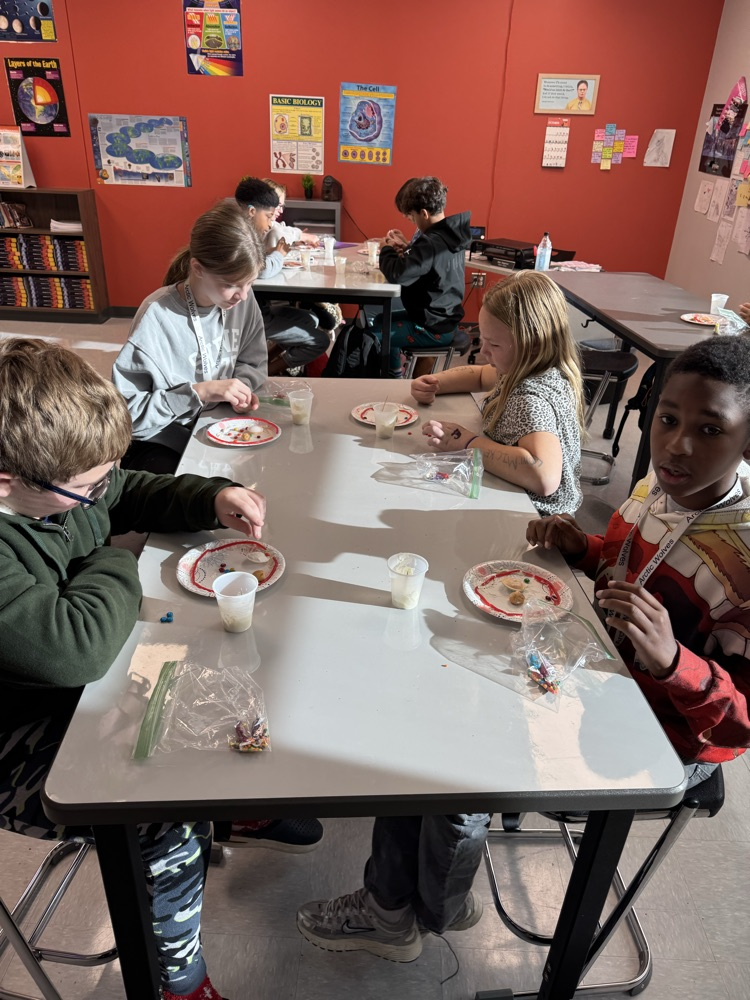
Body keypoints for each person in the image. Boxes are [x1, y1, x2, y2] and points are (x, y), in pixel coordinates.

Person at [0, 337, 270, 1000]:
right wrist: (119, 555)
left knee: (222, 678)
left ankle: (244, 808)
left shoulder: (61, 483)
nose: (101, 495)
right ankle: (177, 980)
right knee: (163, 808)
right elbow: (77, 644)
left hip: (78, 694)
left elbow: (129, 490)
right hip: (16, 737)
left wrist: (211, 497)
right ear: (8, 480)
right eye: (86, 489)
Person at [527, 335, 750, 787]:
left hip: (669, 735)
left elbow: (741, 725)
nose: (676, 445)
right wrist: (583, 550)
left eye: (710, 429)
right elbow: (631, 567)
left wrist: (672, 661)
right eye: (667, 419)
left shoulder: (743, 560)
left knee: (473, 778)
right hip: (601, 671)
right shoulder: (660, 484)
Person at [112, 200, 267, 475]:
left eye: (250, 283)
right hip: (163, 439)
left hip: (221, 425)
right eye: (230, 285)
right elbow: (125, 416)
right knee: (189, 501)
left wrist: (239, 388)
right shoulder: (156, 315)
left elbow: (253, 362)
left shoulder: (243, 300)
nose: (242, 295)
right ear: (197, 268)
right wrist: (200, 392)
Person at [411, 270, 585, 515]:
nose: (484, 351)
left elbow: (544, 477)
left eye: (494, 344)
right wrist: (436, 382)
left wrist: (467, 443)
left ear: (532, 344)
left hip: (533, 519)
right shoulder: (525, 366)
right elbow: (481, 375)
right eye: (483, 340)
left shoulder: (530, 398)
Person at [374, 176, 471, 377]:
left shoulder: (432, 242)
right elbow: (429, 265)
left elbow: (397, 275)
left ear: (424, 213)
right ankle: (394, 372)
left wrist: (386, 250)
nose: (412, 221)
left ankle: (389, 379)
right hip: (443, 319)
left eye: (412, 216)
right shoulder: (450, 235)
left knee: (373, 335)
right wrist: (410, 250)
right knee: (380, 320)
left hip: (433, 327)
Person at [235, 176, 331, 376]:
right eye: (269, 216)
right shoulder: (239, 238)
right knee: (320, 341)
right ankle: (263, 375)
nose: (271, 224)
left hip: (260, 311)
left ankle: (262, 365)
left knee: (311, 319)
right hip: (251, 317)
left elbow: (256, 259)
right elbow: (262, 270)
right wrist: (278, 254)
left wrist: (271, 251)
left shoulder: (247, 234)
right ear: (252, 211)